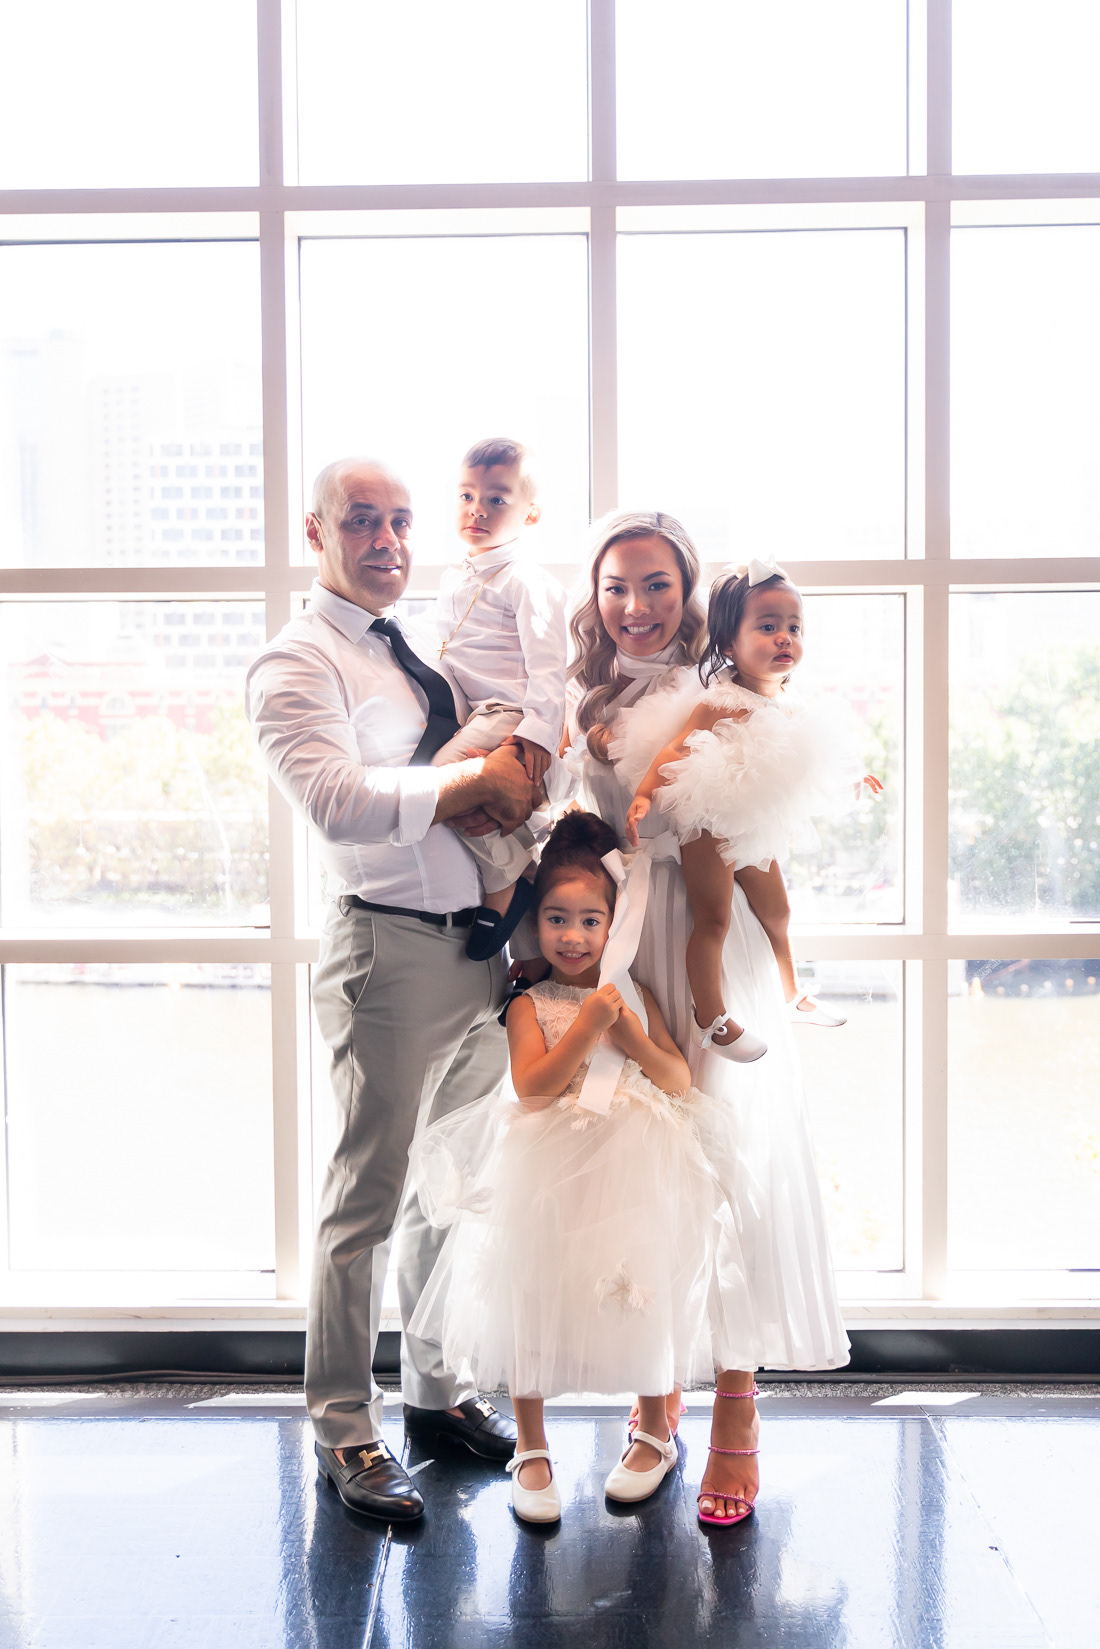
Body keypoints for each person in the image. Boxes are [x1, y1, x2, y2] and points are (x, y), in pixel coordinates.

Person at [246, 457, 538, 1523]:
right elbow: (336, 799)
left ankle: (435, 1392)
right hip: (387, 954)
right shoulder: (295, 660)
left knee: (448, 1185)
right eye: (362, 520)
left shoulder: (414, 651)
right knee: (364, 1199)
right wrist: (470, 780)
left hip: (479, 954)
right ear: (315, 531)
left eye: (401, 520)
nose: (387, 540)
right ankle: (343, 1425)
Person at [566, 511, 852, 1526]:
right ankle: (655, 1401)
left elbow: (767, 811)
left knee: (732, 1157)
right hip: (630, 938)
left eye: (655, 584)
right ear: (595, 596)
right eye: (615, 586)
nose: (635, 605)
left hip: (710, 939)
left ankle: (736, 1397)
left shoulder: (723, 681)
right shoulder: (586, 695)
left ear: (688, 593)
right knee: (644, 1159)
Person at [407, 812, 757, 1524]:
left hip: (632, 1162)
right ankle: (532, 1447)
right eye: (557, 919)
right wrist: (589, 1028)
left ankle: (654, 1429)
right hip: (549, 1165)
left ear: (613, 923)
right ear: (535, 923)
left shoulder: (631, 994)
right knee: (534, 1292)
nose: (572, 936)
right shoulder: (529, 1004)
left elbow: (677, 1079)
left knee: (641, 1283)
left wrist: (627, 1030)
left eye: (590, 920)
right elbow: (533, 1087)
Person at [622, 559, 882, 1052]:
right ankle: (711, 1018)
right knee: (713, 919)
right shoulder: (722, 700)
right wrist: (644, 794)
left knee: (778, 910)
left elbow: (810, 746)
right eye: (767, 628)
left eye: (793, 628)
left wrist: (852, 773)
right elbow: (675, 749)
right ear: (728, 645)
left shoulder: (788, 696)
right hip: (708, 817)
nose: (784, 638)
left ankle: (792, 995)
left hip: (751, 819)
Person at [431, 438, 568, 961]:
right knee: (473, 800)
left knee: (441, 780)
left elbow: (550, 668)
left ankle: (504, 880)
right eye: (467, 496)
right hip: (478, 715)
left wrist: (536, 734)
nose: (477, 510)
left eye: (496, 499)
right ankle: (525, 890)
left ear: (530, 513)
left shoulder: (527, 581)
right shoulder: (455, 577)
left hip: (511, 714)